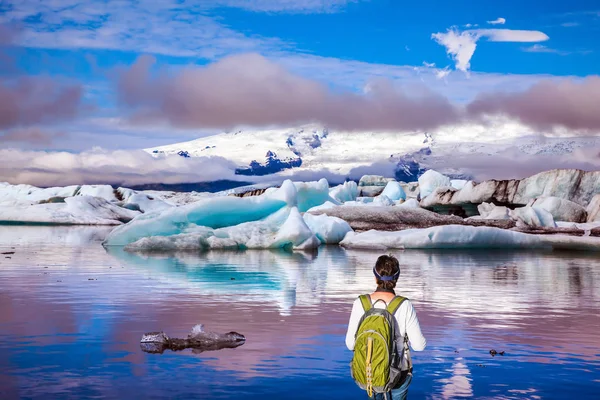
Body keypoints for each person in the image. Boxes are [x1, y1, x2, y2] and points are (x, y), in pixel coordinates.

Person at [346, 255, 426, 400]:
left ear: (375, 276)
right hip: (399, 372)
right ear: (396, 279)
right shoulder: (404, 305)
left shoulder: (361, 303)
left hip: (371, 369)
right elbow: (419, 346)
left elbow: (350, 344)